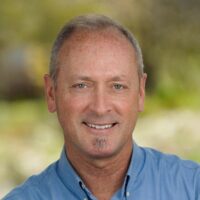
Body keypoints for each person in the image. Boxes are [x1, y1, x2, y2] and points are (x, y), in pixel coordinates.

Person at [3, 14, 200, 200]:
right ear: (51, 93)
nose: (100, 107)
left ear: (140, 92)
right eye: (81, 86)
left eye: (117, 86)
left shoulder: (192, 188)